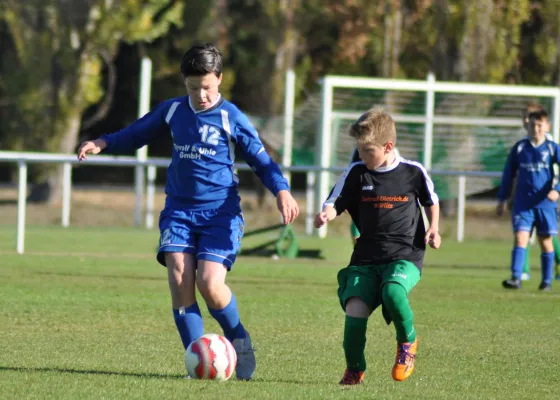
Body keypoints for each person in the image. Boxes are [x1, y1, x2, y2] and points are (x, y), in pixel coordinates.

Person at [76, 43, 299, 380]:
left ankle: (239, 338)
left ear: (219, 80)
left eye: (207, 87)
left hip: (220, 214)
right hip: (179, 211)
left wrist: (282, 191)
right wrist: (103, 143)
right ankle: (201, 360)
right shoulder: (173, 110)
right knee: (180, 278)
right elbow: (137, 133)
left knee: (209, 283)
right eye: (193, 88)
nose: (201, 95)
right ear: (185, 84)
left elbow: (262, 160)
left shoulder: (231, 117)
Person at [315, 108, 441, 385]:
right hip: (366, 257)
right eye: (359, 150)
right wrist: (327, 214)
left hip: (405, 254)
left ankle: (407, 344)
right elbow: (335, 201)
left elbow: (431, 200)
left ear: (388, 146)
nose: (361, 157)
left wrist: (433, 228)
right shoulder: (357, 172)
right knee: (355, 312)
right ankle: (354, 368)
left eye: (367, 151)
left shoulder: (412, 172)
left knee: (394, 292)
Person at [497, 109, 560, 291]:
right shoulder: (520, 148)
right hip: (523, 204)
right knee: (520, 237)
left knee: (545, 241)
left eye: (540, 125)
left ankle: (546, 281)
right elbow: (508, 175)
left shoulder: (552, 148)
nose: (536, 129)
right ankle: (516, 278)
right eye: (532, 125)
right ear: (528, 126)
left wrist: (556, 190)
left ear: (547, 126)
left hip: (545, 204)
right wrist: (502, 199)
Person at [516, 104, 560, 281]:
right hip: (528, 197)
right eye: (524, 117)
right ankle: (521, 272)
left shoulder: (547, 144)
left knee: (546, 236)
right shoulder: (524, 144)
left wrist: (556, 190)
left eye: (529, 117)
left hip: (547, 196)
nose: (526, 121)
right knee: (522, 234)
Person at [348, 146, 400, 246]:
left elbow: (396, 173)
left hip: (383, 192)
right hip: (363, 190)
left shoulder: (392, 150)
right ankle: (360, 251)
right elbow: (351, 171)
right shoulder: (357, 150)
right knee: (358, 218)